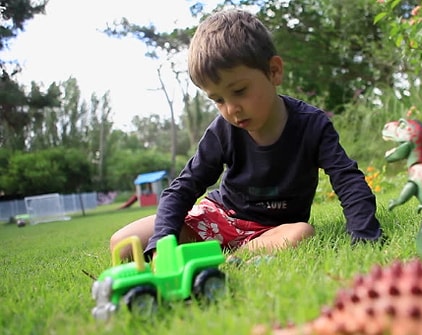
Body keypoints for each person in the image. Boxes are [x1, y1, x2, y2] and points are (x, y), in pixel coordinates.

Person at [110, 9, 383, 262]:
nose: (231, 109)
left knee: (302, 233)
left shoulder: (312, 125)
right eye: (217, 99)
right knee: (123, 243)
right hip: (218, 218)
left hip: (272, 230)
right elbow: (183, 188)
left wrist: (364, 235)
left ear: (274, 71)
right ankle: (214, 249)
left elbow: (347, 180)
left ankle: (229, 253)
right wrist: (161, 243)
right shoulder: (222, 131)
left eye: (239, 91)